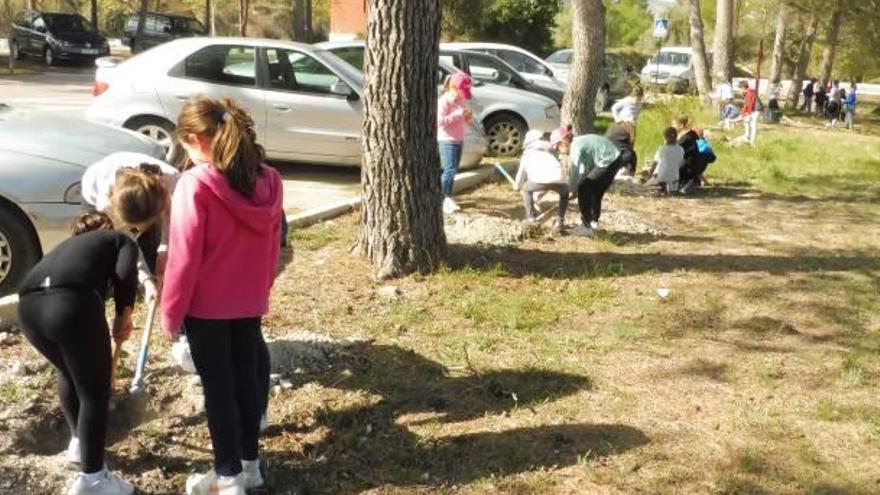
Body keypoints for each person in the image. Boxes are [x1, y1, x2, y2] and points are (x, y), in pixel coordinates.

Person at [161, 97, 283, 495]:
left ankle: (228, 477)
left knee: (219, 391)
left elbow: (184, 258)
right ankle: (251, 465)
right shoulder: (270, 180)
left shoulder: (194, 186)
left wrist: (171, 314)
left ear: (195, 139)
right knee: (247, 382)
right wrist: (260, 289)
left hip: (206, 308)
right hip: (249, 302)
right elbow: (272, 247)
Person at [17, 211, 138, 495]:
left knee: (70, 373)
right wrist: (124, 315)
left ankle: (78, 444)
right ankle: (93, 479)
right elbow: (125, 272)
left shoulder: (66, 249)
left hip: (29, 309)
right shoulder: (119, 239)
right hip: (71, 304)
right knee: (94, 392)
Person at [81, 152, 178, 300]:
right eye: (134, 229)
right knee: (107, 249)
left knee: (151, 244)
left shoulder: (173, 179)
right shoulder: (106, 205)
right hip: (94, 188)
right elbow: (128, 242)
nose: (136, 232)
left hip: (139, 184)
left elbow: (172, 216)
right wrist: (146, 280)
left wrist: (165, 249)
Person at [567, 133, 624, 237]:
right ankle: (593, 222)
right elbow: (585, 169)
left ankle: (586, 226)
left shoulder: (575, 147)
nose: (557, 150)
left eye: (557, 146)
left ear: (563, 142)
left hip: (609, 160)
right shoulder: (580, 141)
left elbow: (576, 171)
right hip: (616, 159)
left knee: (584, 188)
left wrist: (571, 189)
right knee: (596, 190)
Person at [513, 130, 569, 233]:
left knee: (526, 189)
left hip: (539, 180)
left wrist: (516, 186)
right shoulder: (550, 147)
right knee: (564, 193)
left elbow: (522, 173)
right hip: (559, 177)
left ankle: (531, 218)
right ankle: (560, 221)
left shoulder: (527, 152)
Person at [437, 72, 474, 214]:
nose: (462, 96)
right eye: (461, 91)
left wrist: (467, 117)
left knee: (453, 170)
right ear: (453, 87)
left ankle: (448, 195)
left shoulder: (459, 101)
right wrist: (457, 115)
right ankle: (443, 198)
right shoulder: (443, 101)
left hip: (459, 139)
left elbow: (464, 121)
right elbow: (440, 122)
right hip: (447, 140)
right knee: (449, 170)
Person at [645, 127, 684, 194]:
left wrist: (650, 175)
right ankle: (667, 188)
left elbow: (655, 164)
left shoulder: (662, 149)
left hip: (660, 178)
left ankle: (661, 186)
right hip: (674, 181)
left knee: (646, 186)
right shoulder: (681, 149)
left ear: (665, 138)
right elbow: (680, 164)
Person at [674, 115, 708, 193]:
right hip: (697, 164)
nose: (673, 126)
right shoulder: (693, 134)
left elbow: (674, 152)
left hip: (689, 167)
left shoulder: (685, 138)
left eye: (674, 124)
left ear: (681, 125)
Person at [734, 80, 759, 146]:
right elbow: (746, 105)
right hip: (752, 110)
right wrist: (742, 115)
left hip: (756, 110)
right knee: (747, 122)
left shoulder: (750, 93)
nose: (739, 91)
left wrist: (746, 114)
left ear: (743, 88)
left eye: (739, 89)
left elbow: (749, 105)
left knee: (753, 125)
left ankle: (752, 142)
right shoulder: (747, 93)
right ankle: (747, 136)